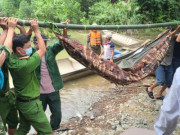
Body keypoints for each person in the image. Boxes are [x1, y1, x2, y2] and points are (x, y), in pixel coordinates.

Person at [7, 19, 52, 135]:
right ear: (19, 49)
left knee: (23, 128)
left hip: (21, 102)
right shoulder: (25, 65)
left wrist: (22, 30)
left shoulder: (11, 58)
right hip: (31, 105)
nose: (30, 48)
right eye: (28, 46)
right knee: (46, 131)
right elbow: (42, 49)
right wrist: (36, 30)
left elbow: (13, 42)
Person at [32, 32, 64, 135]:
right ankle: (38, 130)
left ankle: (52, 130)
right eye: (41, 42)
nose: (43, 45)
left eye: (45, 42)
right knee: (39, 113)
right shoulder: (31, 53)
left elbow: (61, 43)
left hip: (53, 89)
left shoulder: (50, 50)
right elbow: (21, 44)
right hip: (39, 91)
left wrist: (63, 31)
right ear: (34, 43)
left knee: (57, 113)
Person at [146, 27, 180, 100]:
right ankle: (150, 88)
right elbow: (169, 35)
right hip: (159, 63)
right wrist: (178, 28)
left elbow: (177, 37)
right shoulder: (161, 37)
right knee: (161, 80)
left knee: (169, 81)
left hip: (169, 63)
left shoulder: (173, 38)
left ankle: (159, 95)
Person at [0, 17, 19, 135]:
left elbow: (2, 46)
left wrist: (5, 30)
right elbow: (5, 50)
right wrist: (11, 28)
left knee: (13, 121)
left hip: (7, 94)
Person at [154, 67, 180, 135]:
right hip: (163, 65)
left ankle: (159, 93)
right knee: (161, 81)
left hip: (169, 66)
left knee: (168, 81)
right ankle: (152, 90)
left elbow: (169, 109)